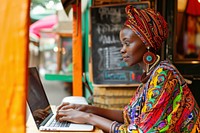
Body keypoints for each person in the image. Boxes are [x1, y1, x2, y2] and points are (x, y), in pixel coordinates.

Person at [56, 5, 200, 133]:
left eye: (127, 43)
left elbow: (138, 131)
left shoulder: (164, 76)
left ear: (147, 43)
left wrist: (88, 117)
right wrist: (87, 109)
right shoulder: (152, 73)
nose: (122, 50)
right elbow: (129, 115)